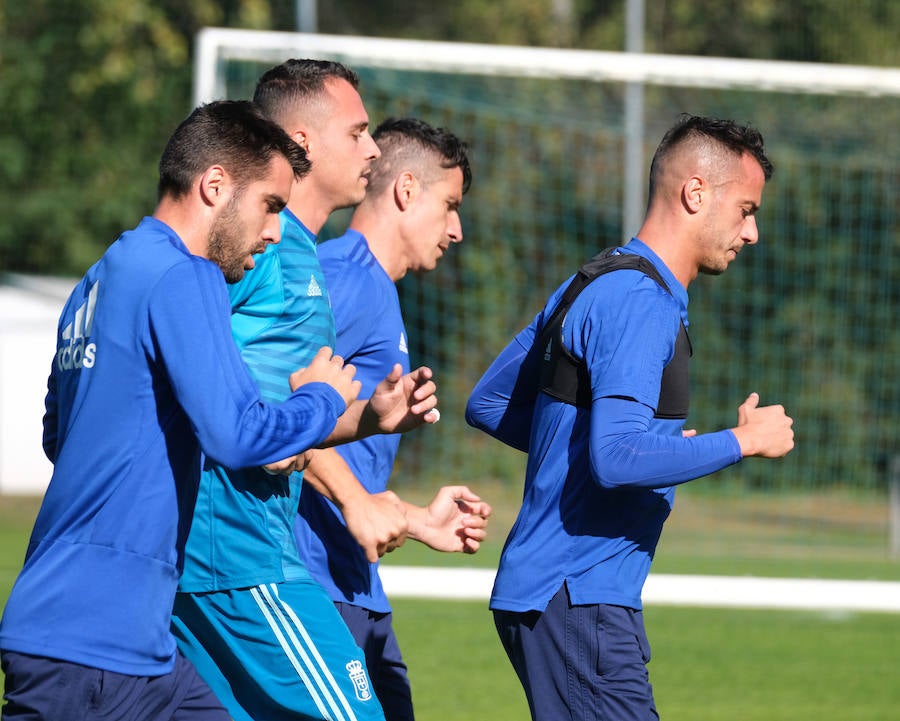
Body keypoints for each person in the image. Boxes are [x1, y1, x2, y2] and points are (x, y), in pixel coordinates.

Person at [0, 100, 367, 721]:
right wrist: (321, 398)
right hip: (92, 647)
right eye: (271, 206)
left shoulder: (97, 278)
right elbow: (239, 434)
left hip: (132, 647)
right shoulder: (184, 273)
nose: (275, 232)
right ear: (215, 185)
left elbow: (59, 435)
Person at [171, 62, 476, 721]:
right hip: (254, 560)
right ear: (304, 140)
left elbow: (289, 406)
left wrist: (373, 427)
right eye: (359, 132)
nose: (372, 149)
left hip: (293, 562)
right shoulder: (305, 263)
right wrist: (355, 497)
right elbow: (247, 402)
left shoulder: (303, 255)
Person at [465, 114, 795, 721]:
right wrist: (740, 442)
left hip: (560, 598)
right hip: (577, 598)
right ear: (696, 193)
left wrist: (645, 449)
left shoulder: (594, 279)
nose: (752, 233)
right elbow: (616, 460)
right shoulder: (642, 302)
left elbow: (488, 403)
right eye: (745, 210)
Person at [294, 117, 492, 721]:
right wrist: (358, 502)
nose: (457, 229)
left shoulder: (374, 287)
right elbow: (271, 415)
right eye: (449, 206)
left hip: (353, 585)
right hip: (312, 585)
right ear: (406, 190)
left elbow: (336, 437)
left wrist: (415, 519)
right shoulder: (343, 279)